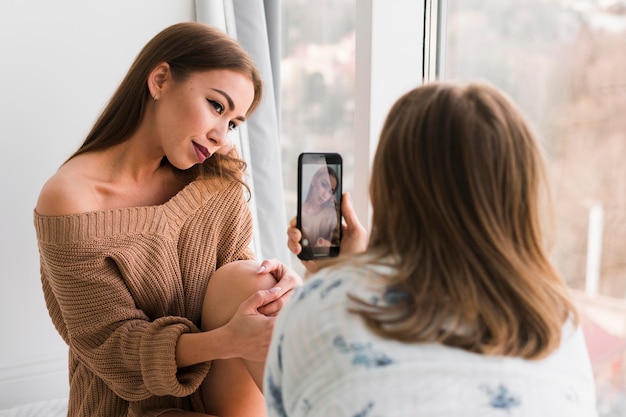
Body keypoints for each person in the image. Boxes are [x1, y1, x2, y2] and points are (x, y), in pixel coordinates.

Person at [271, 81, 598, 416]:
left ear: (387, 188)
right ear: (521, 195)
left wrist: (338, 280)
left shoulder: (319, 304)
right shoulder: (558, 321)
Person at [34, 22, 302, 417]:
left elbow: (234, 284)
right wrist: (228, 341)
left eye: (232, 123)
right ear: (160, 79)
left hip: (218, 387)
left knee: (257, 282)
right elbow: (113, 349)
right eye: (216, 106)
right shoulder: (71, 198)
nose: (221, 137)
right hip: (131, 403)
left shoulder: (216, 174)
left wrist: (279, 289)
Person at [300, 166, 340, 251]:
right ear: (314, 180)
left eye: (330, 191)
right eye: (324, 185)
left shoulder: (331, 214)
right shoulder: (300, 210)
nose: (325, 194)